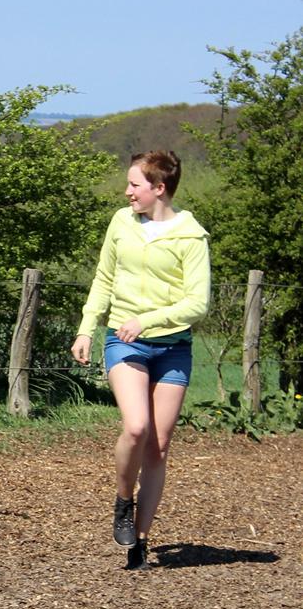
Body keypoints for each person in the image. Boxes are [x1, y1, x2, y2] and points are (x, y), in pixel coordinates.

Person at [71, 150, 211, 570]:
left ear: (159, 188)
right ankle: (123, 501)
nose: (127, 191)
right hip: (124, 342)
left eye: (134, 184)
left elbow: (198, 303)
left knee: (159, 446)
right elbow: (104, 278)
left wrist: (148, 320)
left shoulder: (191, 237)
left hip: (173, 349)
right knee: (136, 427)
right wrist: (86, 327)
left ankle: (141, 543)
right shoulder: (121, 222)